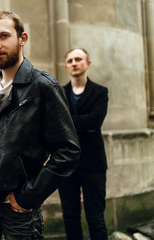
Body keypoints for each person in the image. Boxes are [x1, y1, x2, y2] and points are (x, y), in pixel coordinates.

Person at [0, 11, 81, 240]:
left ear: (22, 39)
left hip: (16, 208)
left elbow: (68, 151)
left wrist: (27, 197)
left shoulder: (43, 86)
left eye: (4, 36)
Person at [58, 48, 109, 240]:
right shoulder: (60, 93)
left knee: (95, 219)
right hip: (66, 164)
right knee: (70, 218)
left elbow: (95, 122)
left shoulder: (100, 92)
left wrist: (68, 122)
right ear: (66, 66)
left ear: (87, 63)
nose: (74, 63)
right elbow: (55, 124)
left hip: (93, 164)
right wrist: (82, 124)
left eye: (78, 59)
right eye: (70, 60)